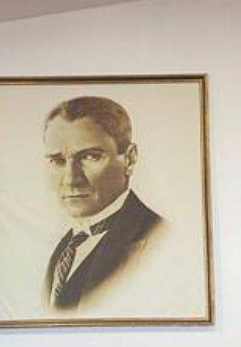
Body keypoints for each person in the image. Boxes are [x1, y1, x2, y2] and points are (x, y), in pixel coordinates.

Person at [41, 96, 163, 311]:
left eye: (90, 157)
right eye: (57, 161)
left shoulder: (157, 241)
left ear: (130, 159)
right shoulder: (66, 245)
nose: (71, 179)